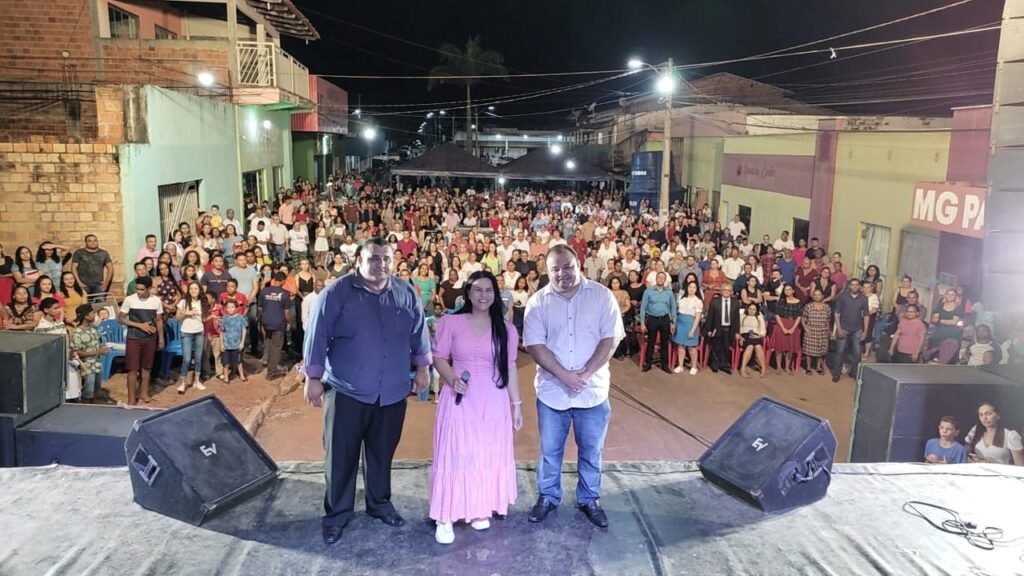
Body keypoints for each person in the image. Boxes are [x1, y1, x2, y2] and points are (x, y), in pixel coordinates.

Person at [302, 237, 432, 545]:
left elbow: (418, 332)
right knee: (340, 457)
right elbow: (317, 335)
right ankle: (337, 515)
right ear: (358, 260)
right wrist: (313, 377)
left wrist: (423, 368)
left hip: (392, 392)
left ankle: (379, 504)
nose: (381, 264)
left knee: (381, 454)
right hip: (347, 391)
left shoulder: (404, 292)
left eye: (386, 258)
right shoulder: (337, 293)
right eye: (374, 258)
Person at [523, 244, 624, 528]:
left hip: (592, 393)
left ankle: (589, 498)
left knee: (591, 451)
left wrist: (587, 372)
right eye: (555, 269)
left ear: (578, 264)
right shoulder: (538, 302)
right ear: (547, 271)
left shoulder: (602, 297)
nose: (562, 274)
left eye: (567, 266)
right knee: (550, 451)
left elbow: (611, 338)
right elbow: (534, 344)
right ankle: (547, 497)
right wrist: (563, 374)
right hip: (552, 393)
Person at [428, 271, 523, 544]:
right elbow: (439, 358)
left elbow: (510, 367)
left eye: (489, 290)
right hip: (460, 397)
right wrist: (452, 379)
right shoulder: (451, 323)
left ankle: (479, 508)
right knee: (456, 453)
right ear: (467, 294)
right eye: (478, 290)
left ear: (496, 295)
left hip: (493, 399)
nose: (484, 295)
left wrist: (516, 405)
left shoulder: (506, 329)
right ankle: (445, 517)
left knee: (485, 453)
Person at [118, 276, 164, 405]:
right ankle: (132, 399)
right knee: (132, 369)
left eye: (142, 289)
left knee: (146, 368)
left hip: (150, 339)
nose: (138, 292)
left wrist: (161, 339)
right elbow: (120, 318)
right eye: (137, 289)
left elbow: (159, 321)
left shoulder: (156, 301)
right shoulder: (129, 300)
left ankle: (144, 394)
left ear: (149, 288)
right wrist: (140, 325)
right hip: (133, 338)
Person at [831, 279, 869, 382]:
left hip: (857, 329)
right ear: (849, 286)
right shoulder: (842, 297)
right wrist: (838, 328)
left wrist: (865, 331)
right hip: (843, 328)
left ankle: (854, 372)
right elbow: (836, 313)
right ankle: (837, 373)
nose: (855, 287)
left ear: (859, 287)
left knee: (857, 352)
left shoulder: (864, 298)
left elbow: (866, 315)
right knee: (840, 351)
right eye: (853, 285)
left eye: (857, 285)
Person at [70, 304, 109, 404]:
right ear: (86, 316)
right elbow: (77, 352)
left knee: (96, 391)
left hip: (97, 365)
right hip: (86, 368)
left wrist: (101, 348)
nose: (95, 315)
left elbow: (96, 343)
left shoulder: (92, 330)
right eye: (92, 313)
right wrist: (98, 352)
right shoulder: (77, 333)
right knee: (87, 393)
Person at [639, 272, 676, 373]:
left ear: (665, 280)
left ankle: (665, 365)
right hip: (652, 319)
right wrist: (642, 322)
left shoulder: (669, 292)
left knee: (665, 342)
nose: (660, 279)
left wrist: (673, 322)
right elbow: (643, 307)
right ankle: (648, 364)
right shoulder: (648, 291)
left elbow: (673, 308)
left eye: (663, 278)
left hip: (665, 319)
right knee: (651, 342)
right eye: (659, 277)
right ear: (656, 278)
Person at [175, 282, 208, 394]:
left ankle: (197, 381)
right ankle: (183, 383)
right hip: (186, 332)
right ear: (188, 290)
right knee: (187, 359)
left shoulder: (203, 302)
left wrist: (212, 317)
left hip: (199, 331)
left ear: (200, 290)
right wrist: (187, 313)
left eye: (196, 289)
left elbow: (204, 318)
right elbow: (177, 317)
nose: (194, 291)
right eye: (191, 289)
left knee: (198, 358)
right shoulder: (183, 302)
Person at [259, 271, 292, 380]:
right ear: (283, 281)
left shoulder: (264, 291)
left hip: (266, 322)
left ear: (274, 280)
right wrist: (289, 322)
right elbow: (287, 312)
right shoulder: (285, 294)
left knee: (268, 344)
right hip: (278, 323)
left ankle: (268, 364)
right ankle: (271, 372)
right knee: (276, 348)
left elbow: (260, 308)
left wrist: (261, 321)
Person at [705, 285, 740, 374]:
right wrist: (709, 329)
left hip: (729, 329)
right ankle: (715, 364)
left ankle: (724, 364)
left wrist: (737, 331)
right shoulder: (715, 301)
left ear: (732, 292)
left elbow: (737, 318)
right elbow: (710, 316)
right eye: (725, 289)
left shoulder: (735, 302)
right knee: (716, 347)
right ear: (721, 291)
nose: (727, 291)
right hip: (717, 327)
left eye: (729, 290)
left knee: (726, 347)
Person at [673, 280, 703, 375]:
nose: (691, 289)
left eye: (694, 287)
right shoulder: (682, 298)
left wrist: (692, 330)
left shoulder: (698, 301)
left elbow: (697, 318)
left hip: (691, 324)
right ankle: (680, 365)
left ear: (696, 289)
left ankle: (694, 366)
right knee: (681, 346)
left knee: (691, 348)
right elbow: (677, 312)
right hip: (680, 323)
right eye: (690, 287)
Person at [71, 235, 114, 299]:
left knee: (99, 305)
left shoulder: (103, 253)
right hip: (83, 284)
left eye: (95, 240)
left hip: (99, 285)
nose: (93, 242)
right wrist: (79, 283)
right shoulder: (79, 252)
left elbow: (110, 268)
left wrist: (106, 283)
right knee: (84, 305)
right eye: (90, 241)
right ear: (86, 242)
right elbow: (73, 268)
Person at [773, 284, 803, 373]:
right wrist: (782, 327)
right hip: (781, 324)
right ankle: (778, 367)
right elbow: (776, 314)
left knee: (790, 348)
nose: (787, 291)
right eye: (786, 290)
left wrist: (794, 328)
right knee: (779, 348)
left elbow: (799, 316)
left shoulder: (799, 302)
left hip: (793, 324)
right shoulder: (781, 301)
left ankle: (787, 367)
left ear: (793, 291)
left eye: (789, 289)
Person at [801, 289, 831, 375]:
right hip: (811, 330)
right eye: (815, 295)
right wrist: (806, 329)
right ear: (813, 296)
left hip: (823, 331)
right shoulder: (808, 306)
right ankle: (808, 367)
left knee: (821, 351)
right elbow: (803, 319)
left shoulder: (827, 307)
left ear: (822, 296)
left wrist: (828, 331)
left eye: (819, 295)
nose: (817, 297)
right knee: (808, 351)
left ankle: (818, 367)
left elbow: (828, 320)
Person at [218, 300, 248, 383]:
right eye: (228, 307)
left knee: (238, 361)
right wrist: (221, 344)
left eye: (232, 307)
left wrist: (242, 342)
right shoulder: (224, 318)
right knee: (226, 362)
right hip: (226, 345)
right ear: (225, 308)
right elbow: (221, 331)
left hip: (237, 344)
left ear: (236, 308)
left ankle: (242, 375)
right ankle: (226, 377)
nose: (230, 309)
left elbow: (244, 329)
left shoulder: (240, 317)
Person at [738, 303, 768, 378]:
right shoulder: (742, 316)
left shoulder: (759, 316)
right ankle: (743, 369)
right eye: (750, 309)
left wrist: (759, 336)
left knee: (758, 346)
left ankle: (764, 369)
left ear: (756, 310)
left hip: (756, 335)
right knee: (750, 346)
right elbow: (738, 328)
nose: (752, 311)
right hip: (745, 335)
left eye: (754, 309)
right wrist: (740, 337)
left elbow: (763, 329)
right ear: (747, 309)